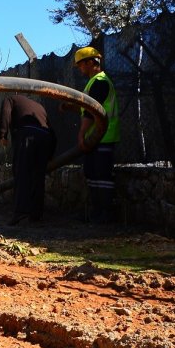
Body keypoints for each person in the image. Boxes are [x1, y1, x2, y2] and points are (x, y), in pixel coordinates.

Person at [73, 46, 120, 223]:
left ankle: (105, 213)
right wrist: (71, 106)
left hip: (102, 137)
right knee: (93, 174)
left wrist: (81, 134)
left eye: (81, 64)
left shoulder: (99, 82)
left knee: (102, 175)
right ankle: (97, 212)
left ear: (91, 62)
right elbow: (87, 108)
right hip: (97, 138)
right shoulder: (94, 82)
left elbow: (93, 112)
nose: (79, 68)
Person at [0, 94, 56, 225]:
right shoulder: (39, 107)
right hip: (45, 138)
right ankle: (36, 215)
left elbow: (5, 112)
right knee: (38, 177)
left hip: (27, 134)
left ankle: (20, 213)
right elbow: (51, 131)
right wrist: (50, 155)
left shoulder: (10, 98)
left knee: (22, 173)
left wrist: (3, 134)